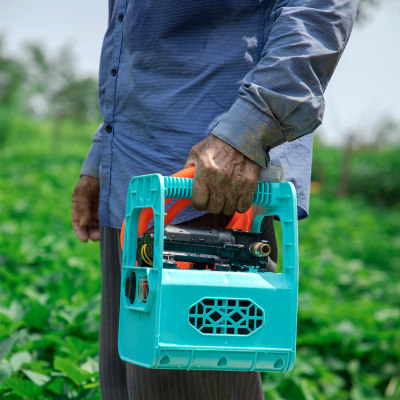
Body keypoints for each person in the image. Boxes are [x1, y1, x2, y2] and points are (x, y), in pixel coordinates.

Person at [72, 1, 357, 398]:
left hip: (214, 188)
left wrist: (248, 128)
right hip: (132, 184)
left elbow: (318, 8)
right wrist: (103, 154)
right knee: (127, 384)